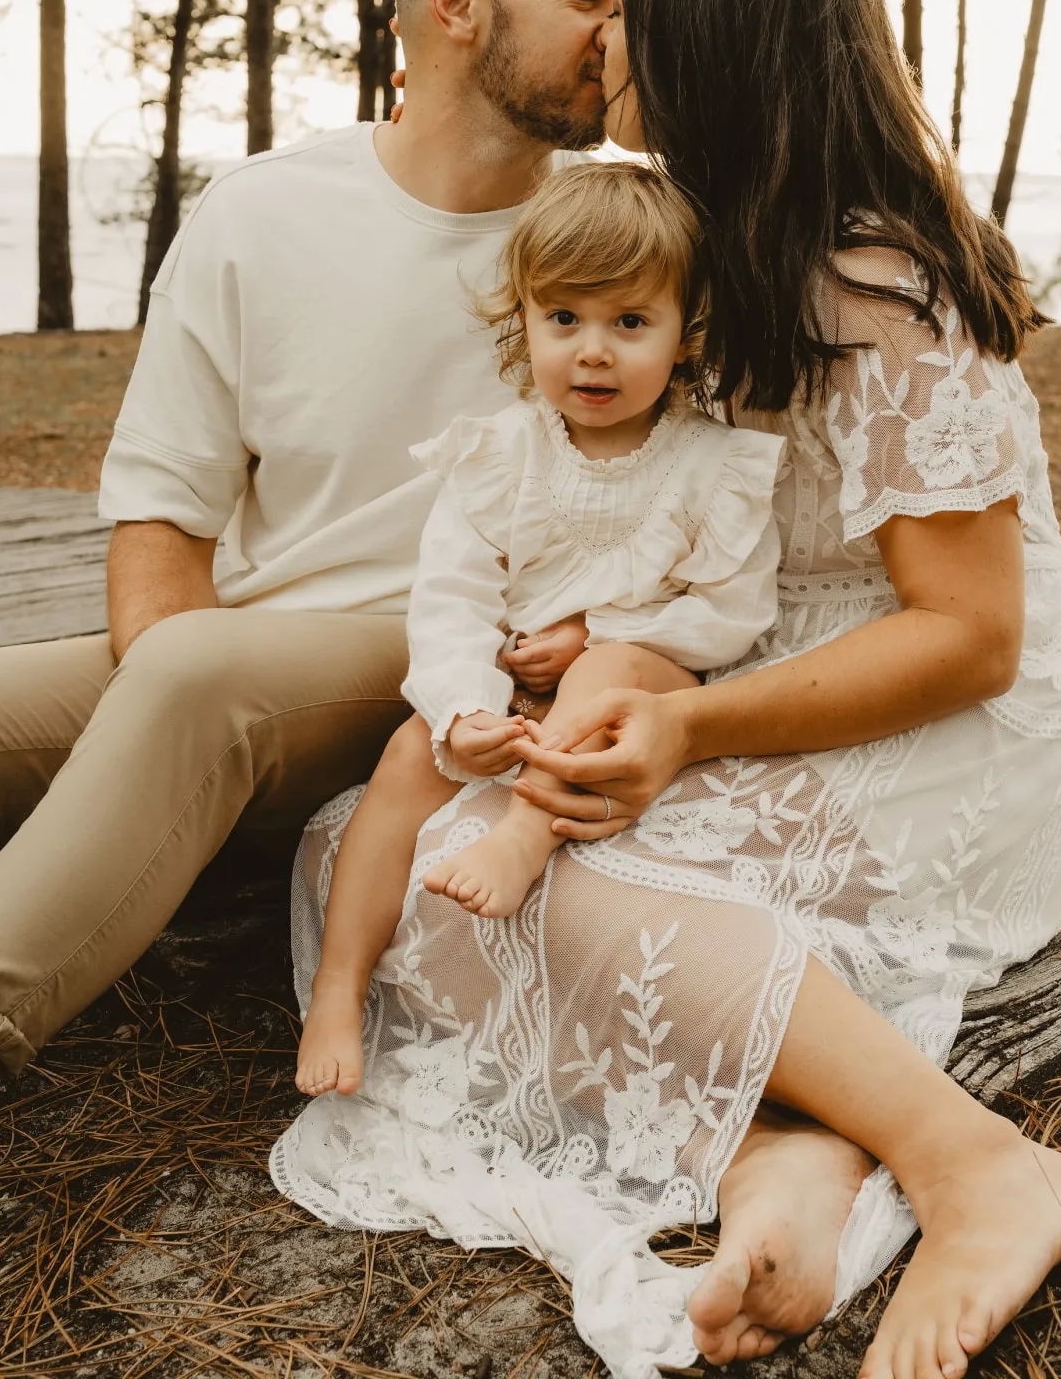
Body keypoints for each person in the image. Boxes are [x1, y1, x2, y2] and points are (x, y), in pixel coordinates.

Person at [272, 0, 1061, 1379]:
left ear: (708, 33)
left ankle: (979, 1163)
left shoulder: (879, 278)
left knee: (550, 882)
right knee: (373, 842)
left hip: (939, 733)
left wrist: (681, 725)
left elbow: (972, 638)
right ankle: (781, 1159)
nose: (597, 41)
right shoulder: (699, 239)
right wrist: (603, 636)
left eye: (623, 4)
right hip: (739, 665)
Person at [0, 0, 619, 1101]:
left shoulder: (622, 233)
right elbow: (163, 515)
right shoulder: (262, 213)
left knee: (202, 677)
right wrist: (175, 746)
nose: (617, 33)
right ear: (456, 1)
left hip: (457, 671)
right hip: (245, 665)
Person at [294, 160, 786, 1098]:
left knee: (610, 671)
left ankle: (525, 831)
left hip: (649, 679)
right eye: (564, 319)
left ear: (687, 335)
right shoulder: (498, 457)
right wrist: (466, 710)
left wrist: (597, 628)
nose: (592, 352)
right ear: (523, 320)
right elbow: (450, 599)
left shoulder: (711, 466)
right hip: (515, 685)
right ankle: (336, 985)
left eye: (629, 323)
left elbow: (733, 609)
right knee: (404, 762)